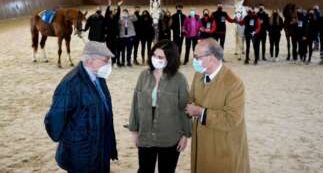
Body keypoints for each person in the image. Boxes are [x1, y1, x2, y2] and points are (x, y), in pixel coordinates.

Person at [44, 41, 118, 173]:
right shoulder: (71, 84)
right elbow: (54, 121)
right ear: (90, 60)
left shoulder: (99, 78)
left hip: (101, 150)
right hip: (81, 155)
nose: (108, 64)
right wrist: (73, 139)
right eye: (105, 60)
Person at [185, 38, 250, 173]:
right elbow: (191, 98)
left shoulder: (234, 83)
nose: (194, 60)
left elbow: (232, 119)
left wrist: (201, 112)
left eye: (197, 57)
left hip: (223, 147)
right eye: (194, 56)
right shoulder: (199, 74)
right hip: (202, 144)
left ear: (212, 58)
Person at [128, 40, 192, 173]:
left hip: (170, 136)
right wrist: (134, 130)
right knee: (144, 169)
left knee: (167, 170)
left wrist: (185, 135)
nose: (156, 59)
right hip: (146, 134)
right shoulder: (144, 75)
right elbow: (136, 103)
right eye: (154, 55)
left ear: (170, 58)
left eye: (160, 57)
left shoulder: (179, 79)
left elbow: (184, 108)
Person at [105, 0, 122, 66]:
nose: (114, 13)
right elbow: (106, 12)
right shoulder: (107, 18)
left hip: (115, 36)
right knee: (108, 48)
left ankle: (114, 61)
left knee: (114, 49)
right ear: (110, 13)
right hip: (108, 36)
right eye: (112, 12)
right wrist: (109, 5)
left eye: (115, 12)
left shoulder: (116, 18)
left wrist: (118, 6)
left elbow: (118, 13)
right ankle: (109, 61)